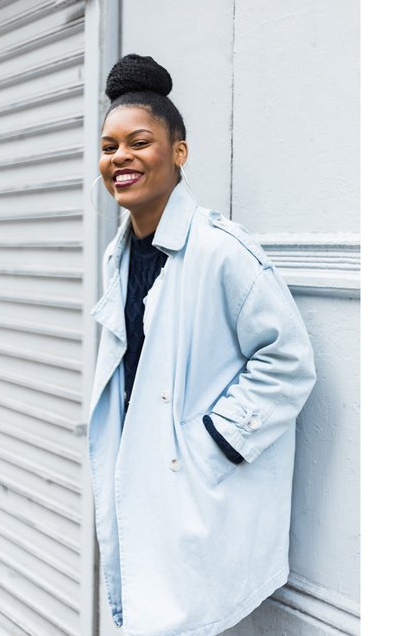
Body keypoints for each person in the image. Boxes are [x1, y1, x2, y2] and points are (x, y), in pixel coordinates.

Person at [87, 54, 316, 635]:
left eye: (139, 142)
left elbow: (287, 361)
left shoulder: (221, 251)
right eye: (110, 147)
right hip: (144, 477)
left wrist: (211, 445)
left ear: (178, 153)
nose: (121, 159)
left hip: (190, 482)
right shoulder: (121, 253)